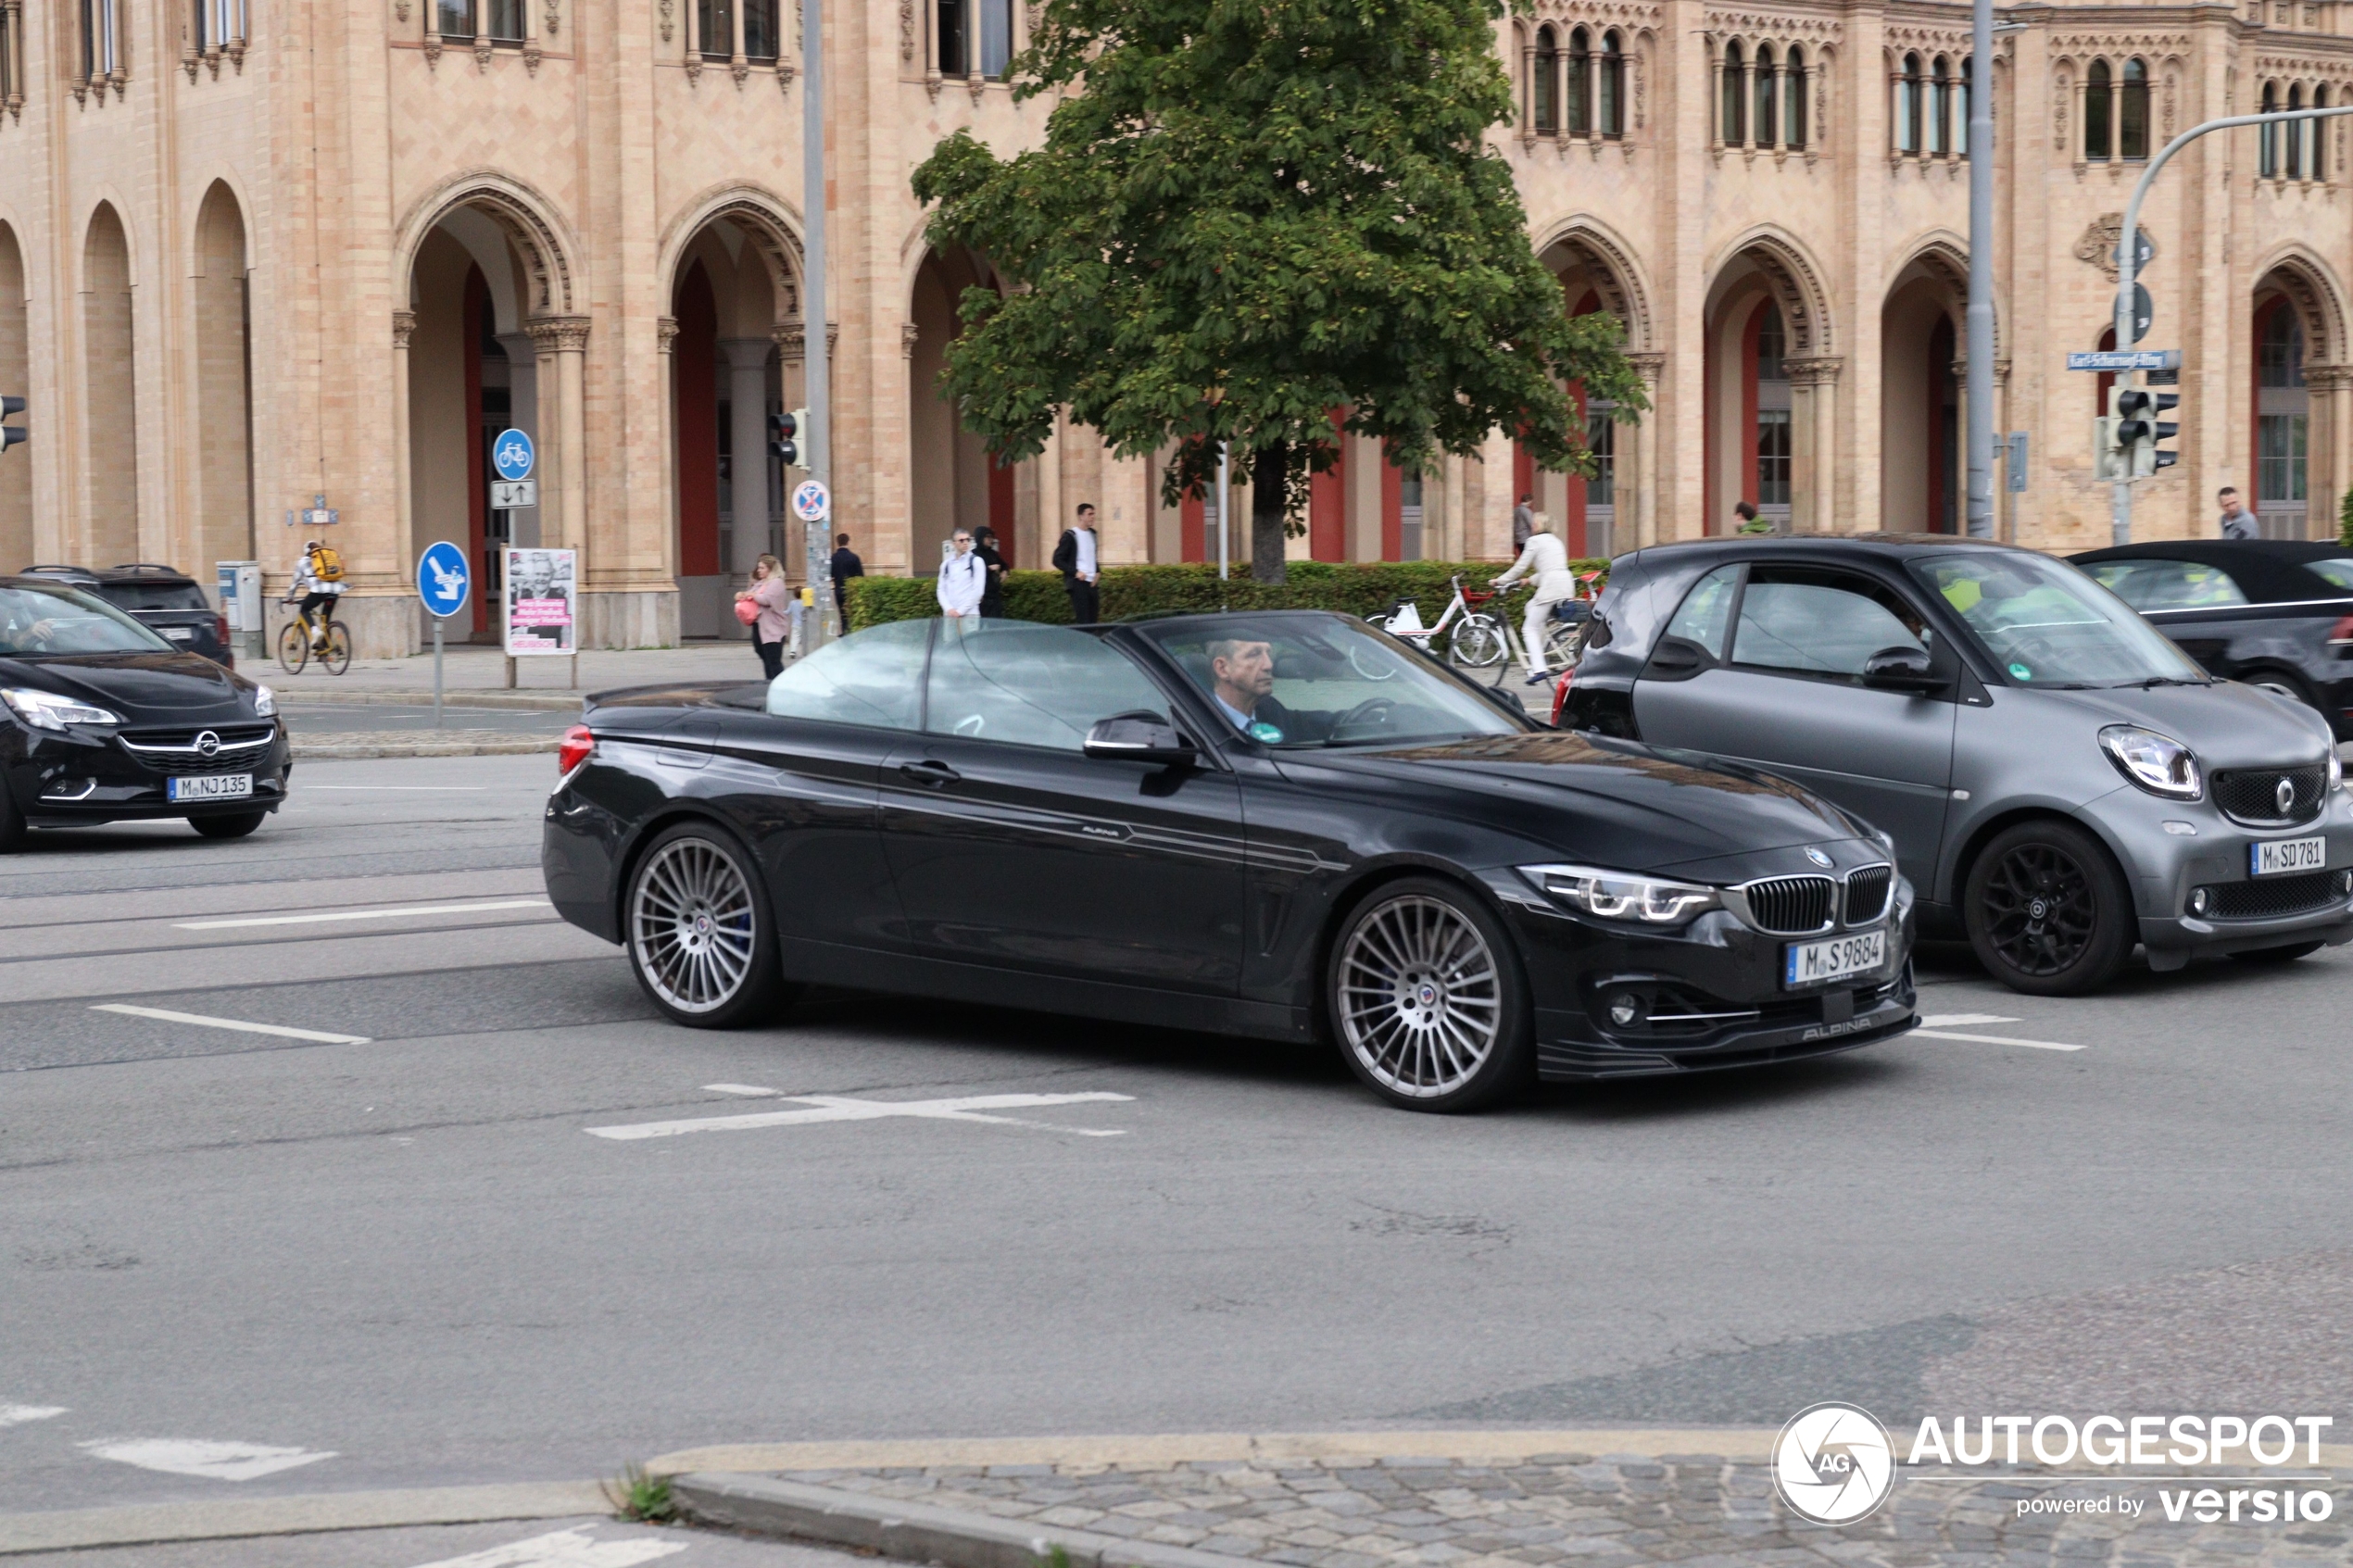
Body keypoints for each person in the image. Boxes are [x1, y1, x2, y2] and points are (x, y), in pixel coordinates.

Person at [1491, 512, 1576, 676]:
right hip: (1565, 584)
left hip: (1550, 588)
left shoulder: (1534, 541)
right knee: (1530, 607)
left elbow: (1520, 566)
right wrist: (1529, 580)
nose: (1532, 526)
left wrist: (1500, 581)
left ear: (1538, 525)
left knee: (1528, 629)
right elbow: (1551, 568)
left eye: (1534, 523)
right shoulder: (1556, 541)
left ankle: (1539, 669)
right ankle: (1542, 648)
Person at [736, 554, 792, 679]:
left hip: (773, 629)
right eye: (759, 568)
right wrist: (742, 594)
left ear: (770, 569)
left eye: (762, 568)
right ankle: (769, 684)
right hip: (760, 626)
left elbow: (766, 599)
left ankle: (781, 684)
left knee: (773, 660)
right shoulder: (761, 583)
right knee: (764, 656)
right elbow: (749, 593)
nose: (758, 570)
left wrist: (751, 594)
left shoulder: (776, 582)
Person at [289, 539, 343, 653]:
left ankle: (315, 632)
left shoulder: (303, 561)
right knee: (325, 619)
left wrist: (290, 597)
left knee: (304, 609)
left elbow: (295, 582)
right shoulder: (324, 560)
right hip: (334, 591)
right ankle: (325, 647)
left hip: (319, 591)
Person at [1051, 503, 1101, 624]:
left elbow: (1091, 556)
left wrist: (1098, 571)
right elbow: (1057, 559)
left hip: (1092, 584)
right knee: (1084, 620)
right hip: (1079, 583)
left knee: (1093, 620)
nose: (1092, 517)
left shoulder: (1093, 534)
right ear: (1081, 516)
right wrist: (1075, 572)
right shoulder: (1071, 535)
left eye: (1093, 514)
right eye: (1089, 514)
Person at [937, 529, 985, 619]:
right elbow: (941, 590)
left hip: (970, 614)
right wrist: (949, 609)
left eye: (968, 540)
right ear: (954, 543)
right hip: (950, 615)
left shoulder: (976, 561)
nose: (965, 543)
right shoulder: (946, 564)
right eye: (961, 540)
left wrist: (960, 611)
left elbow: (978, 591)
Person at [973, 525, 1008, 619]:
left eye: (991, 537)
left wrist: (1005, 572)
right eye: (987, 537)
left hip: (994, 596)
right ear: (980, 538)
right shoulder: (973, 555)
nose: (990, 540)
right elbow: (971, 573)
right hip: (982, 598)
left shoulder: (993, 553)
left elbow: (1004, 564)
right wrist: (988, 568)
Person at [829, 533, 864, 626]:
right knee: (852, 614)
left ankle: (845, 632)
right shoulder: (854, 558)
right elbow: (861, 576)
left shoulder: (833, 558)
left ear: (838, 543)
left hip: (838, 590)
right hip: (851, 591)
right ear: (848, 542)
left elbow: (830, 574)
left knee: (842, 614)